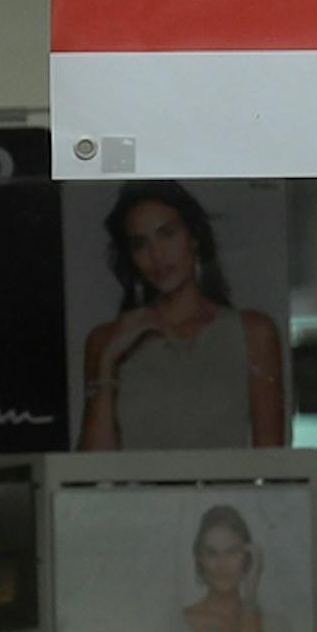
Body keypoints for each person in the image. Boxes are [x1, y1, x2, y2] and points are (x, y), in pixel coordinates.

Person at [77, 181, 285, 451]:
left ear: (193, 237)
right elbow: (92, 475)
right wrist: (107, 362)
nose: (157, 255)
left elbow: (273, 464)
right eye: (141, 244)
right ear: (131, 257)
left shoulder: (253, 333)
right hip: (135, 493)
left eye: (167, 234)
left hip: (228, 493)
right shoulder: (106, 340)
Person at [176, 505, 292, 632]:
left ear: (248, 556)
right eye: (212, 553)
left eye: (231, 552)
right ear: (199, 558)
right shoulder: (176, 626)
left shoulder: (276, 627)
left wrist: (251, 593)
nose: (222, 565)